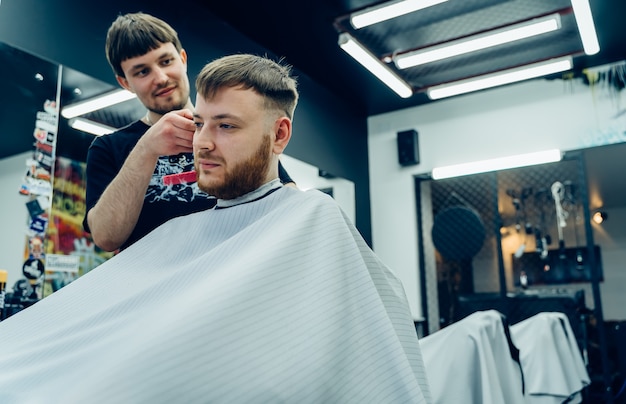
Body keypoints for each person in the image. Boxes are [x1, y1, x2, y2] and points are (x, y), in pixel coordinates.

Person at [0, 54, 432, 403]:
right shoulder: (179, 229)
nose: (202, 142)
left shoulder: (311, 217)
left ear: (279, 135)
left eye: (225, 126)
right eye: (200, 123)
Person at [83, 12, 294, 252]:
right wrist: (146, 148)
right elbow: (105, 238)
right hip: (160, 286)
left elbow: (284, 196)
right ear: (125, 83)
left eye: (166, 61)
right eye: (142, 72)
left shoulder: (236, 132)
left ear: (182, 59)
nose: (161, 78)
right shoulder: (108, 148)